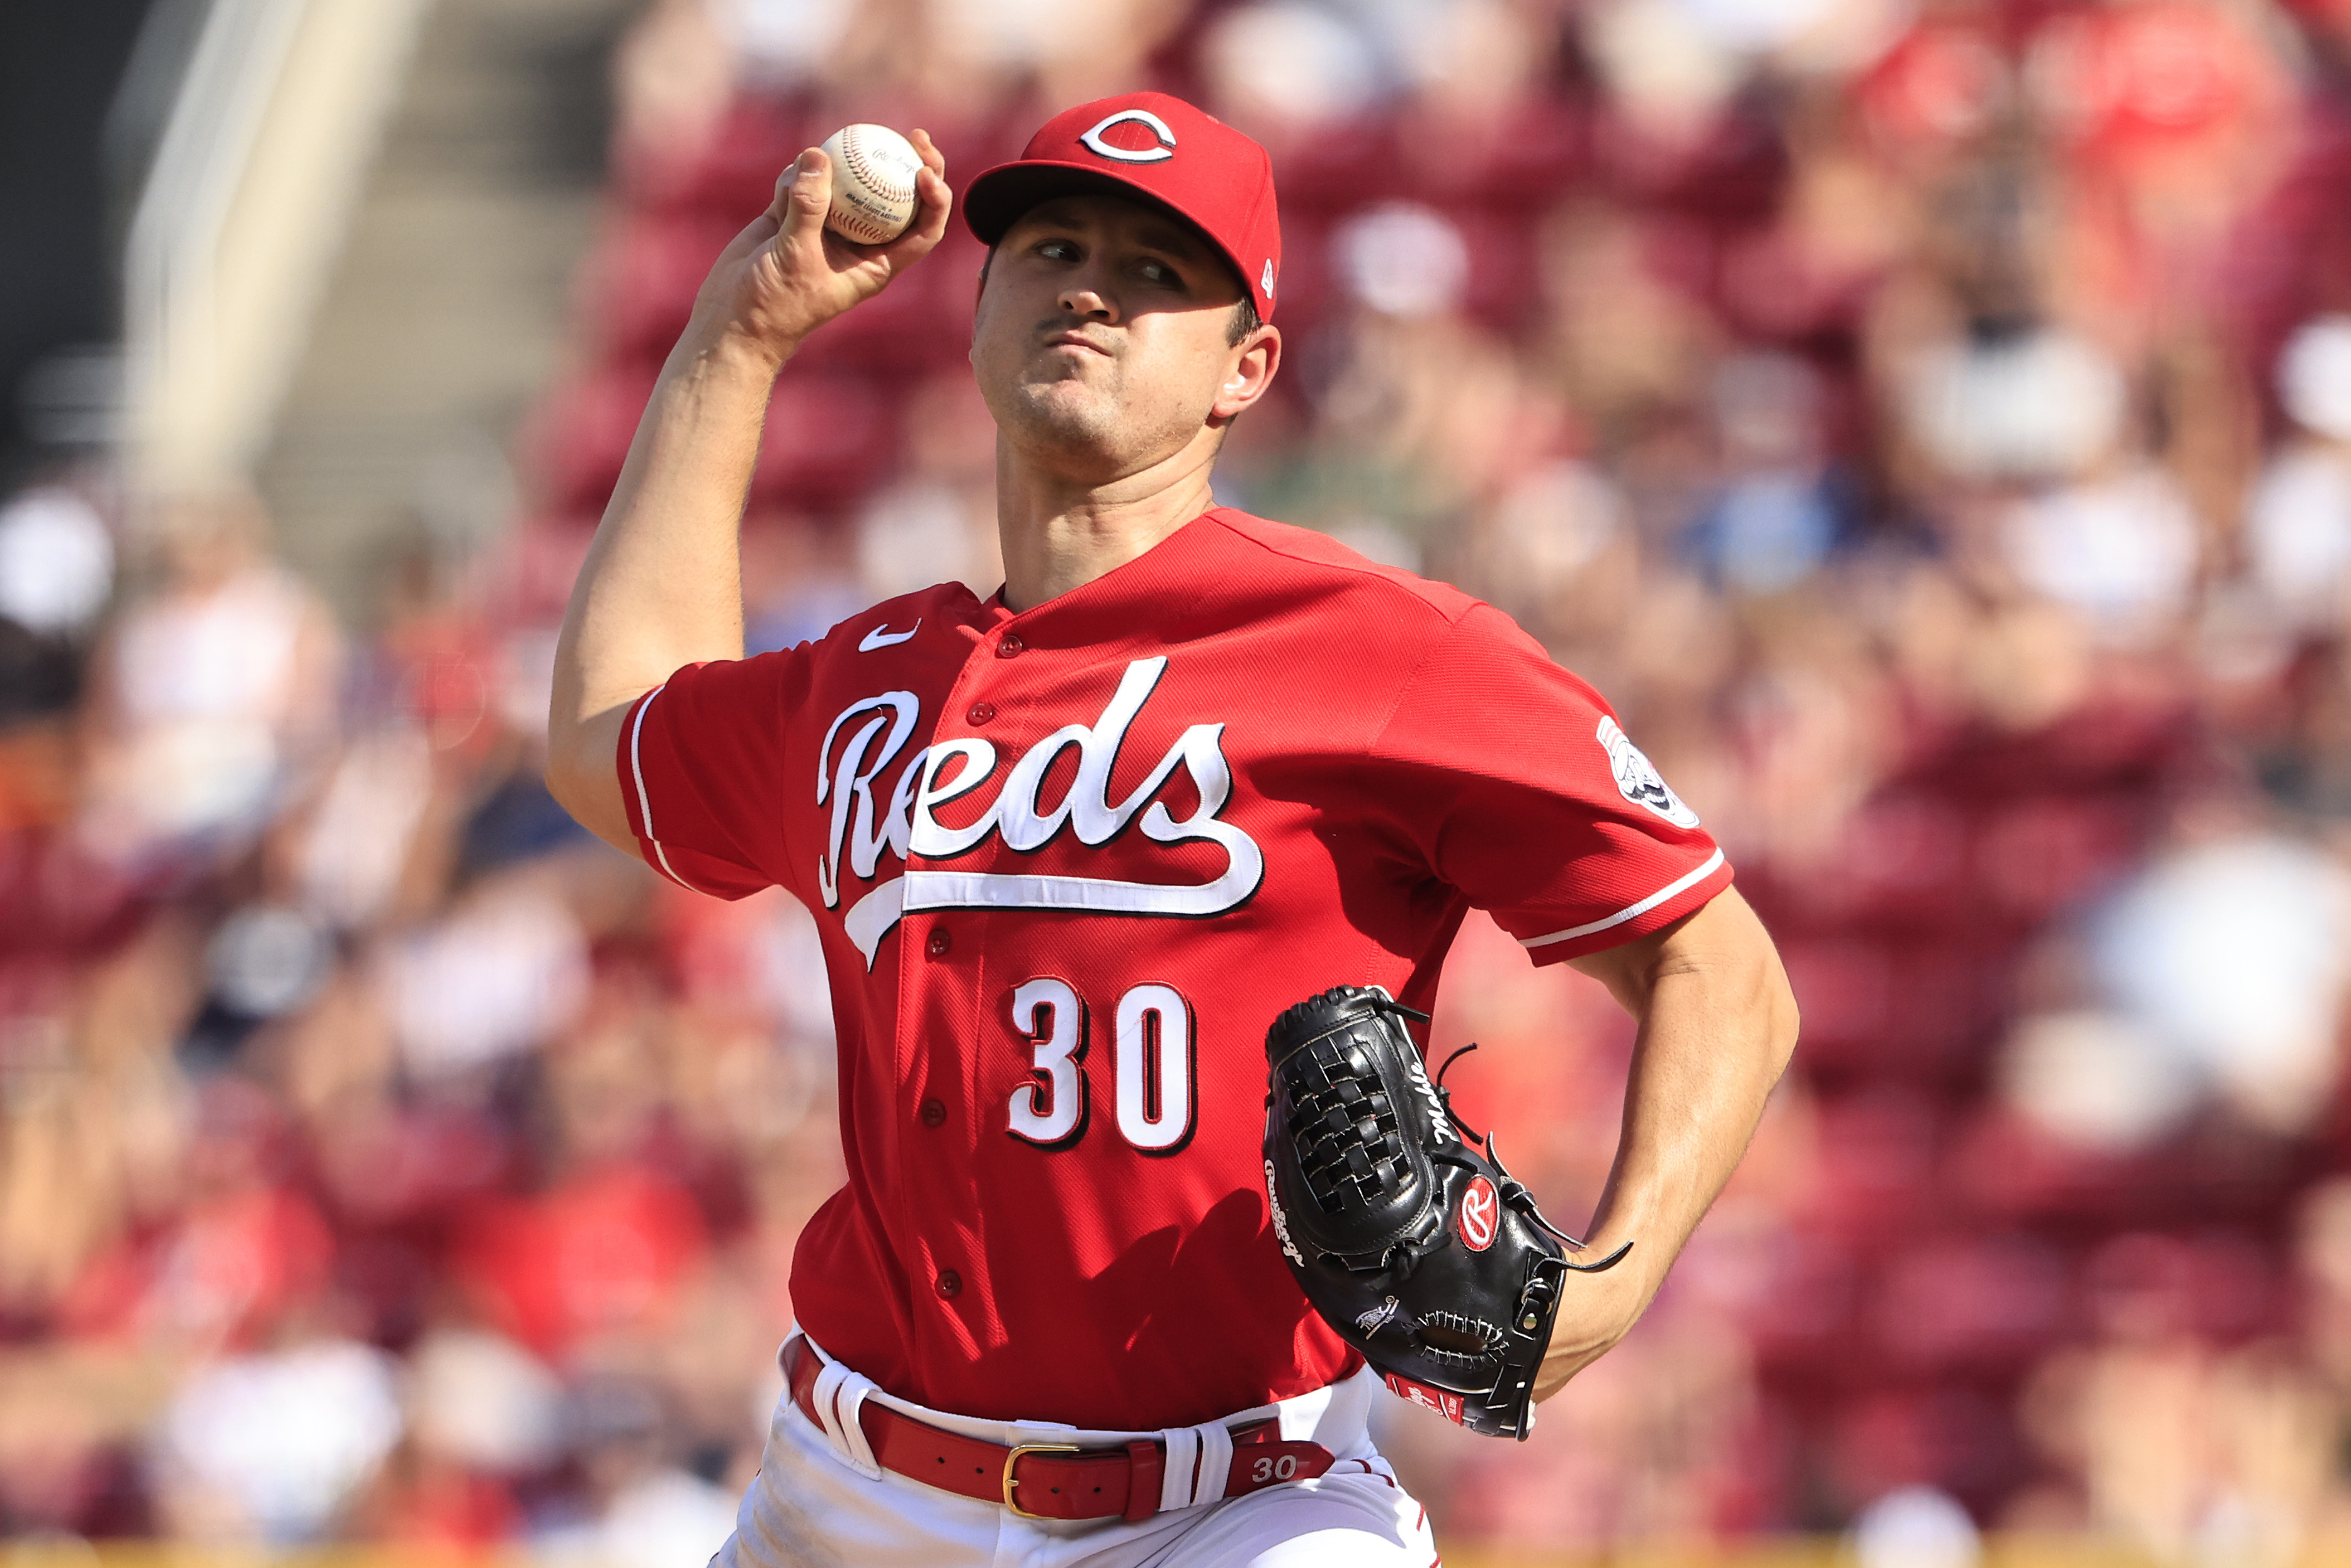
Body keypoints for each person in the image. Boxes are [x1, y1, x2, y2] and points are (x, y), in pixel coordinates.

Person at [546, 91, 1799, 1568]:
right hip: (850, 1493)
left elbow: (1724, 968)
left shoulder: (1380, 647)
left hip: (1241, 1506)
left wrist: (1609, 1279)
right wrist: (739, 337)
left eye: (1156, 273)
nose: (1089, 285)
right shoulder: (869, 683)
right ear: (979, 313)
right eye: (1054, 246)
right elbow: (605, 733)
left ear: (1244, 366)